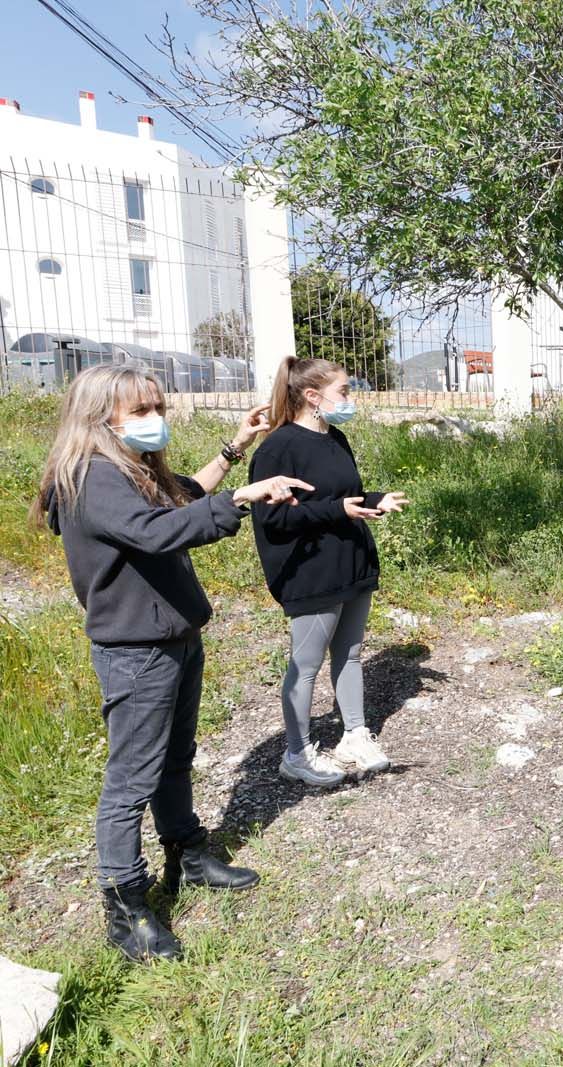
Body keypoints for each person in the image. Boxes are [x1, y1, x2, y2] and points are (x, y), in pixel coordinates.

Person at [34, 364, 311, 962]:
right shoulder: (92, 478)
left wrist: (234, 449)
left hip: (173, 635)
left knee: (174, 757)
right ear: (99, 415)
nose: (155, 419)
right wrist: (243, 497)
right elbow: (159, 532)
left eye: (157, 406)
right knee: (131, 779)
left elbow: (182, 500)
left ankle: (186, 854)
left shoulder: (128, 469)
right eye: (141, 410)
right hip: (137, 650)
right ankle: (125, 907)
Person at [250, 357, 410, 787]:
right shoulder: (277, 448)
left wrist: (374, 499)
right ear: (312, 397)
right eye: (344, 391)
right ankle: (297, 753)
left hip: (351, 563)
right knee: (305, 665)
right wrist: (337, 509)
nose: (350, 399)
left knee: (351, 652)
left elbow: (346, 494)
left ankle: (354, 735)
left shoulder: (335, 437)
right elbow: (273, 520)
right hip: (312, 573)